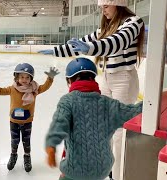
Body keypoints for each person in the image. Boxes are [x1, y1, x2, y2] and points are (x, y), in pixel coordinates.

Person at [39, 0, 145, 179]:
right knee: (102, 127)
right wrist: (56, 51)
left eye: (106, 6)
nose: (103, 11)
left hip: (123, 79)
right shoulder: (105, 28)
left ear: (117, 4)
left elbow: (116, 42)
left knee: (119, 132)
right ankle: (106, 165)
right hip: (106, 77)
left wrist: (91, 48)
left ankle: (118, 175)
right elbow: (81, 43)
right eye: (101, 7)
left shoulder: (133, 22)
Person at [45, 57, 143, 180]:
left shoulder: (68, 101)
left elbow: (59, 124)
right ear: (93, 78)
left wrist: (51, 145)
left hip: (75, 169)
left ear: (69, 80)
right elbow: (133, 113)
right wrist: (154, 100)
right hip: (102, 169)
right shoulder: (108, 103)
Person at [0, 63, 59, 172]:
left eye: (27, 77)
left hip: (27, 121)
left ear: (31, 78)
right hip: (14, 121)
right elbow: (0, 91)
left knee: (26, 141)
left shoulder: (34, 90)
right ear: (17, 77)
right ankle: (13, 155)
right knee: (14, 140)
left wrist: (50, 78)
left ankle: (27, 157)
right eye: (22, 77)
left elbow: (45, 87)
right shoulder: (12, 89)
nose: (24, 79)